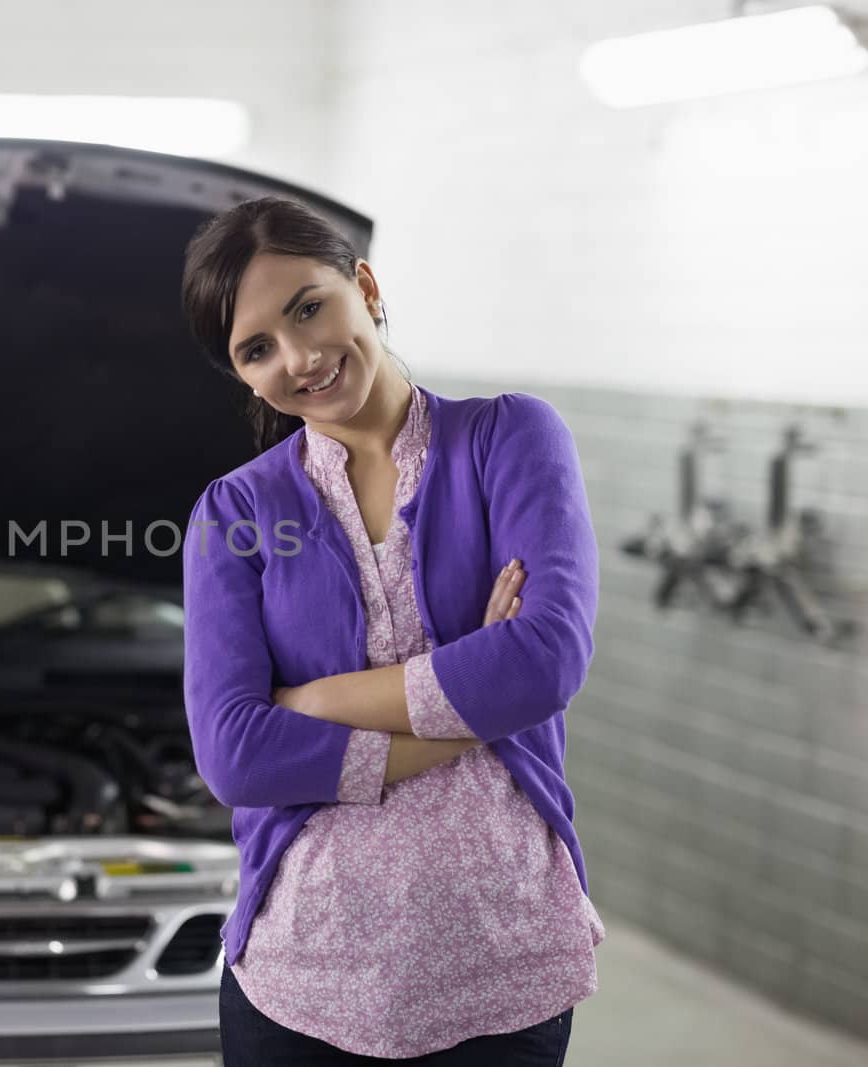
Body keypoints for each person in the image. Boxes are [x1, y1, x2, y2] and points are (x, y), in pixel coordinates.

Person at [178, 198, 605, 1065]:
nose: (299, 358)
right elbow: (234, 754)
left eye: (308, 307)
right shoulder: (235, 512)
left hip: (503, 964)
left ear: (363, 286)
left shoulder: (510, 438)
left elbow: (545, 660)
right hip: (300, 975)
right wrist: (469, 695)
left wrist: (317, 701)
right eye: (256, 348)